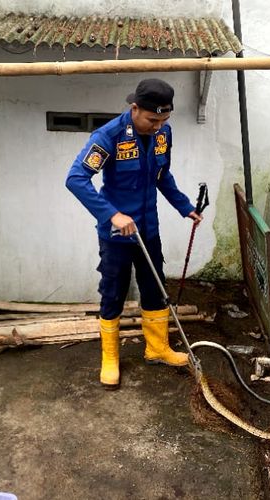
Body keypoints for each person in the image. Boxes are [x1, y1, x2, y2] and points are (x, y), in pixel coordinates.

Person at [65, 78, 203, 390]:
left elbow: (161, 175)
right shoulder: (109, 136)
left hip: (148, 230)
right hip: (116, 234)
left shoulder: (163, 133)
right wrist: (112, 214)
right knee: (113, 291)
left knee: (154, 287)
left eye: (164, 120)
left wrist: (185, 207)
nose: (157, 126)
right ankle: (110, 357)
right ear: (134, 108)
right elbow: (75, 179)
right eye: (152, 119)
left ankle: (157, 348)